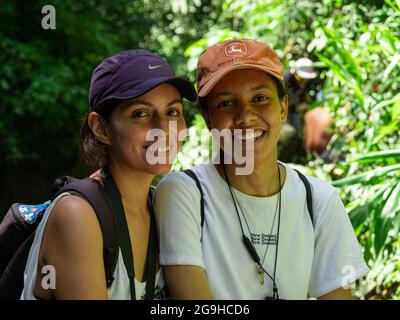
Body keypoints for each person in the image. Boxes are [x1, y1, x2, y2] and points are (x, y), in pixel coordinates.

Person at [154, 38, 368, 300]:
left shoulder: (319, 201)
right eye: (226, 103)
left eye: (260, 98)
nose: (246, 116)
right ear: (208, 118)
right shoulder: (184, 194)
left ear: (283, 109)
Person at [20, 50, 196, 300]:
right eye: (140, 113)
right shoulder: (78, 214)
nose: (163, 129)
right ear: (101, 128)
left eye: (173, 112)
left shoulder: (163, 208)